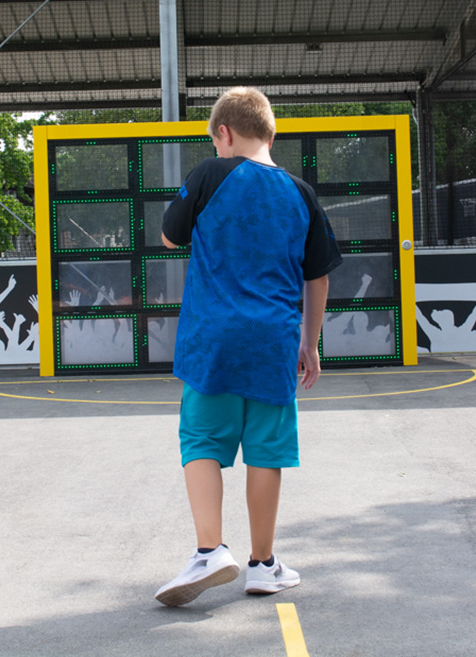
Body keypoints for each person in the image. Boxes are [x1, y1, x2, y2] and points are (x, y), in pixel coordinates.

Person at [156, 87, 341, 606]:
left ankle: (210, 550)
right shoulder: (301, 193)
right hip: (275, 341)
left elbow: (171, 237)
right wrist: (311, 342)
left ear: (224, 133)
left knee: (201, 443)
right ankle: (263, 564)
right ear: (272, 134)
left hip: (212, 339)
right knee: (267, 450)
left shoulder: (210, 174)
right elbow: (318, 277)